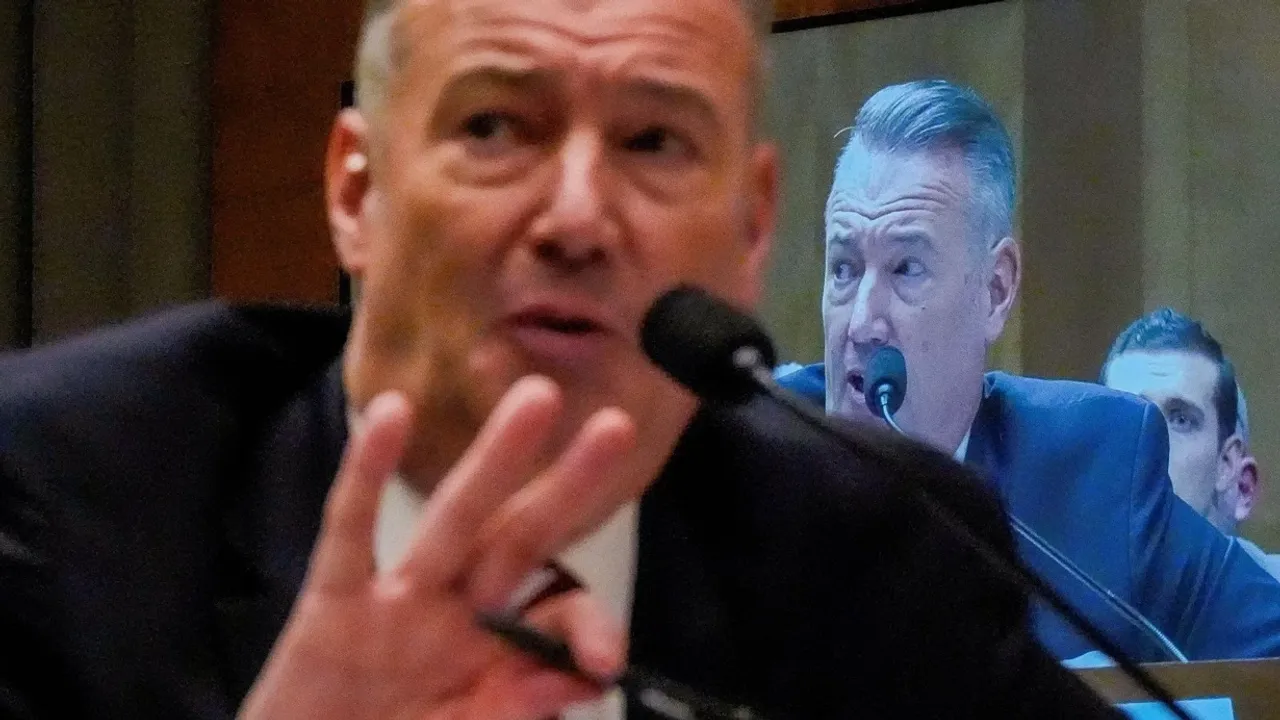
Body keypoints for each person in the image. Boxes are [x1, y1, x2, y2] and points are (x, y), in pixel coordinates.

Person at [0, 3, 1120, 720]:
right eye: (494, 128)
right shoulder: (62, 504)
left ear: (752, 225)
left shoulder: (872, 547)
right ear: (356, 191)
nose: (576, 218)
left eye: (652, 141)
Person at [776, 79, 1280, 663]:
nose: (861, 323)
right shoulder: (757, 452)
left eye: (906, 269)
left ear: (995, 290)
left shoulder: (1092, 474)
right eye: (843, 268)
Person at [1102, 307, 1280, 579]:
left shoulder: (1267, 598)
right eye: (1129, 416)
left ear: (1226, 464)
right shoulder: (1045, 582)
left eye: (1181, 420)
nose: (1149, 441)